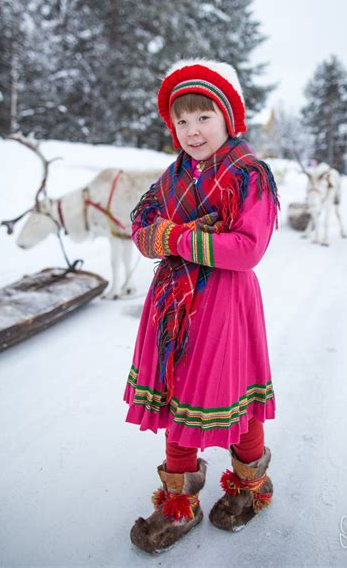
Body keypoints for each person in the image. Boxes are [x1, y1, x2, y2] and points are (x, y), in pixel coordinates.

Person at [123, 59, 280, 553]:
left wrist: (177, 239)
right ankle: (179, 504)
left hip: (225, 304)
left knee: (233, 394)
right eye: (182, 121)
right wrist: (165, 236)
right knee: (176, 400)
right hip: (173, 305)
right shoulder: (173, 177)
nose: (192, 131)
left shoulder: (248, 174)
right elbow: (142, 228)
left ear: (228, 119)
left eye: (203, 118)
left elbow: (248, 248)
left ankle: (251, 486)